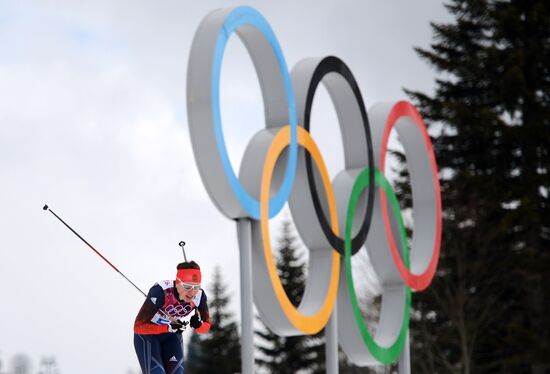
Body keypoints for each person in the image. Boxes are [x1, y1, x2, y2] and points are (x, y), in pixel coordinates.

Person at [133, 261, 211, 373]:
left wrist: (199, 325)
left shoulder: (199, 296)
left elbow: (206, 327)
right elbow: (138, 327)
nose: (192, 292)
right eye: (187, 286)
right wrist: (167, 328)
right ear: (178, 282)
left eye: (196, 287)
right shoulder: (161, 292)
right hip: (148, 336)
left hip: (171, 336)